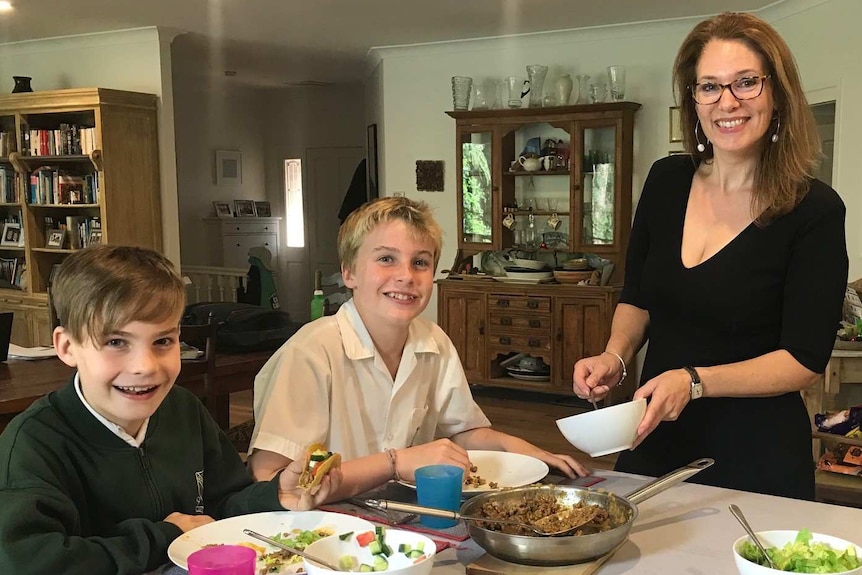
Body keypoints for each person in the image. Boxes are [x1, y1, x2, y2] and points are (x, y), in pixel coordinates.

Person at [573, 12, 847, 500]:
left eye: (746, 83)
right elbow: (638, 297)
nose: (728, 102)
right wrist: (614, 357)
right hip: (653, 436)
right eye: (710, 87)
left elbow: (804, 359)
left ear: (777, 93)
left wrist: (694, 382)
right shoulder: (665, 181)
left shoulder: (815, 211)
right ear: (693, 100)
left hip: (756, 454)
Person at [0, 245, 341, 575]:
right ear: (67, 347)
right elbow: (28, 563)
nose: (145, 366)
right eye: (116, 342)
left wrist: (275, 494)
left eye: (163, 341)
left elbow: (224, 502)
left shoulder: (183, 409)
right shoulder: (34, 443)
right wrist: (163, 537)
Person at [248, 196, 589, 501]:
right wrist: (395, 463)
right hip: (324, 533)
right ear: (349, 273)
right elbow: (271, 481)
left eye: (421, 263)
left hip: (398, 514)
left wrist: (526, 454)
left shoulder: (432, 341)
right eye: (386, 259)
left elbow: (463, 432)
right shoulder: (310, 352)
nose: (406, 276)